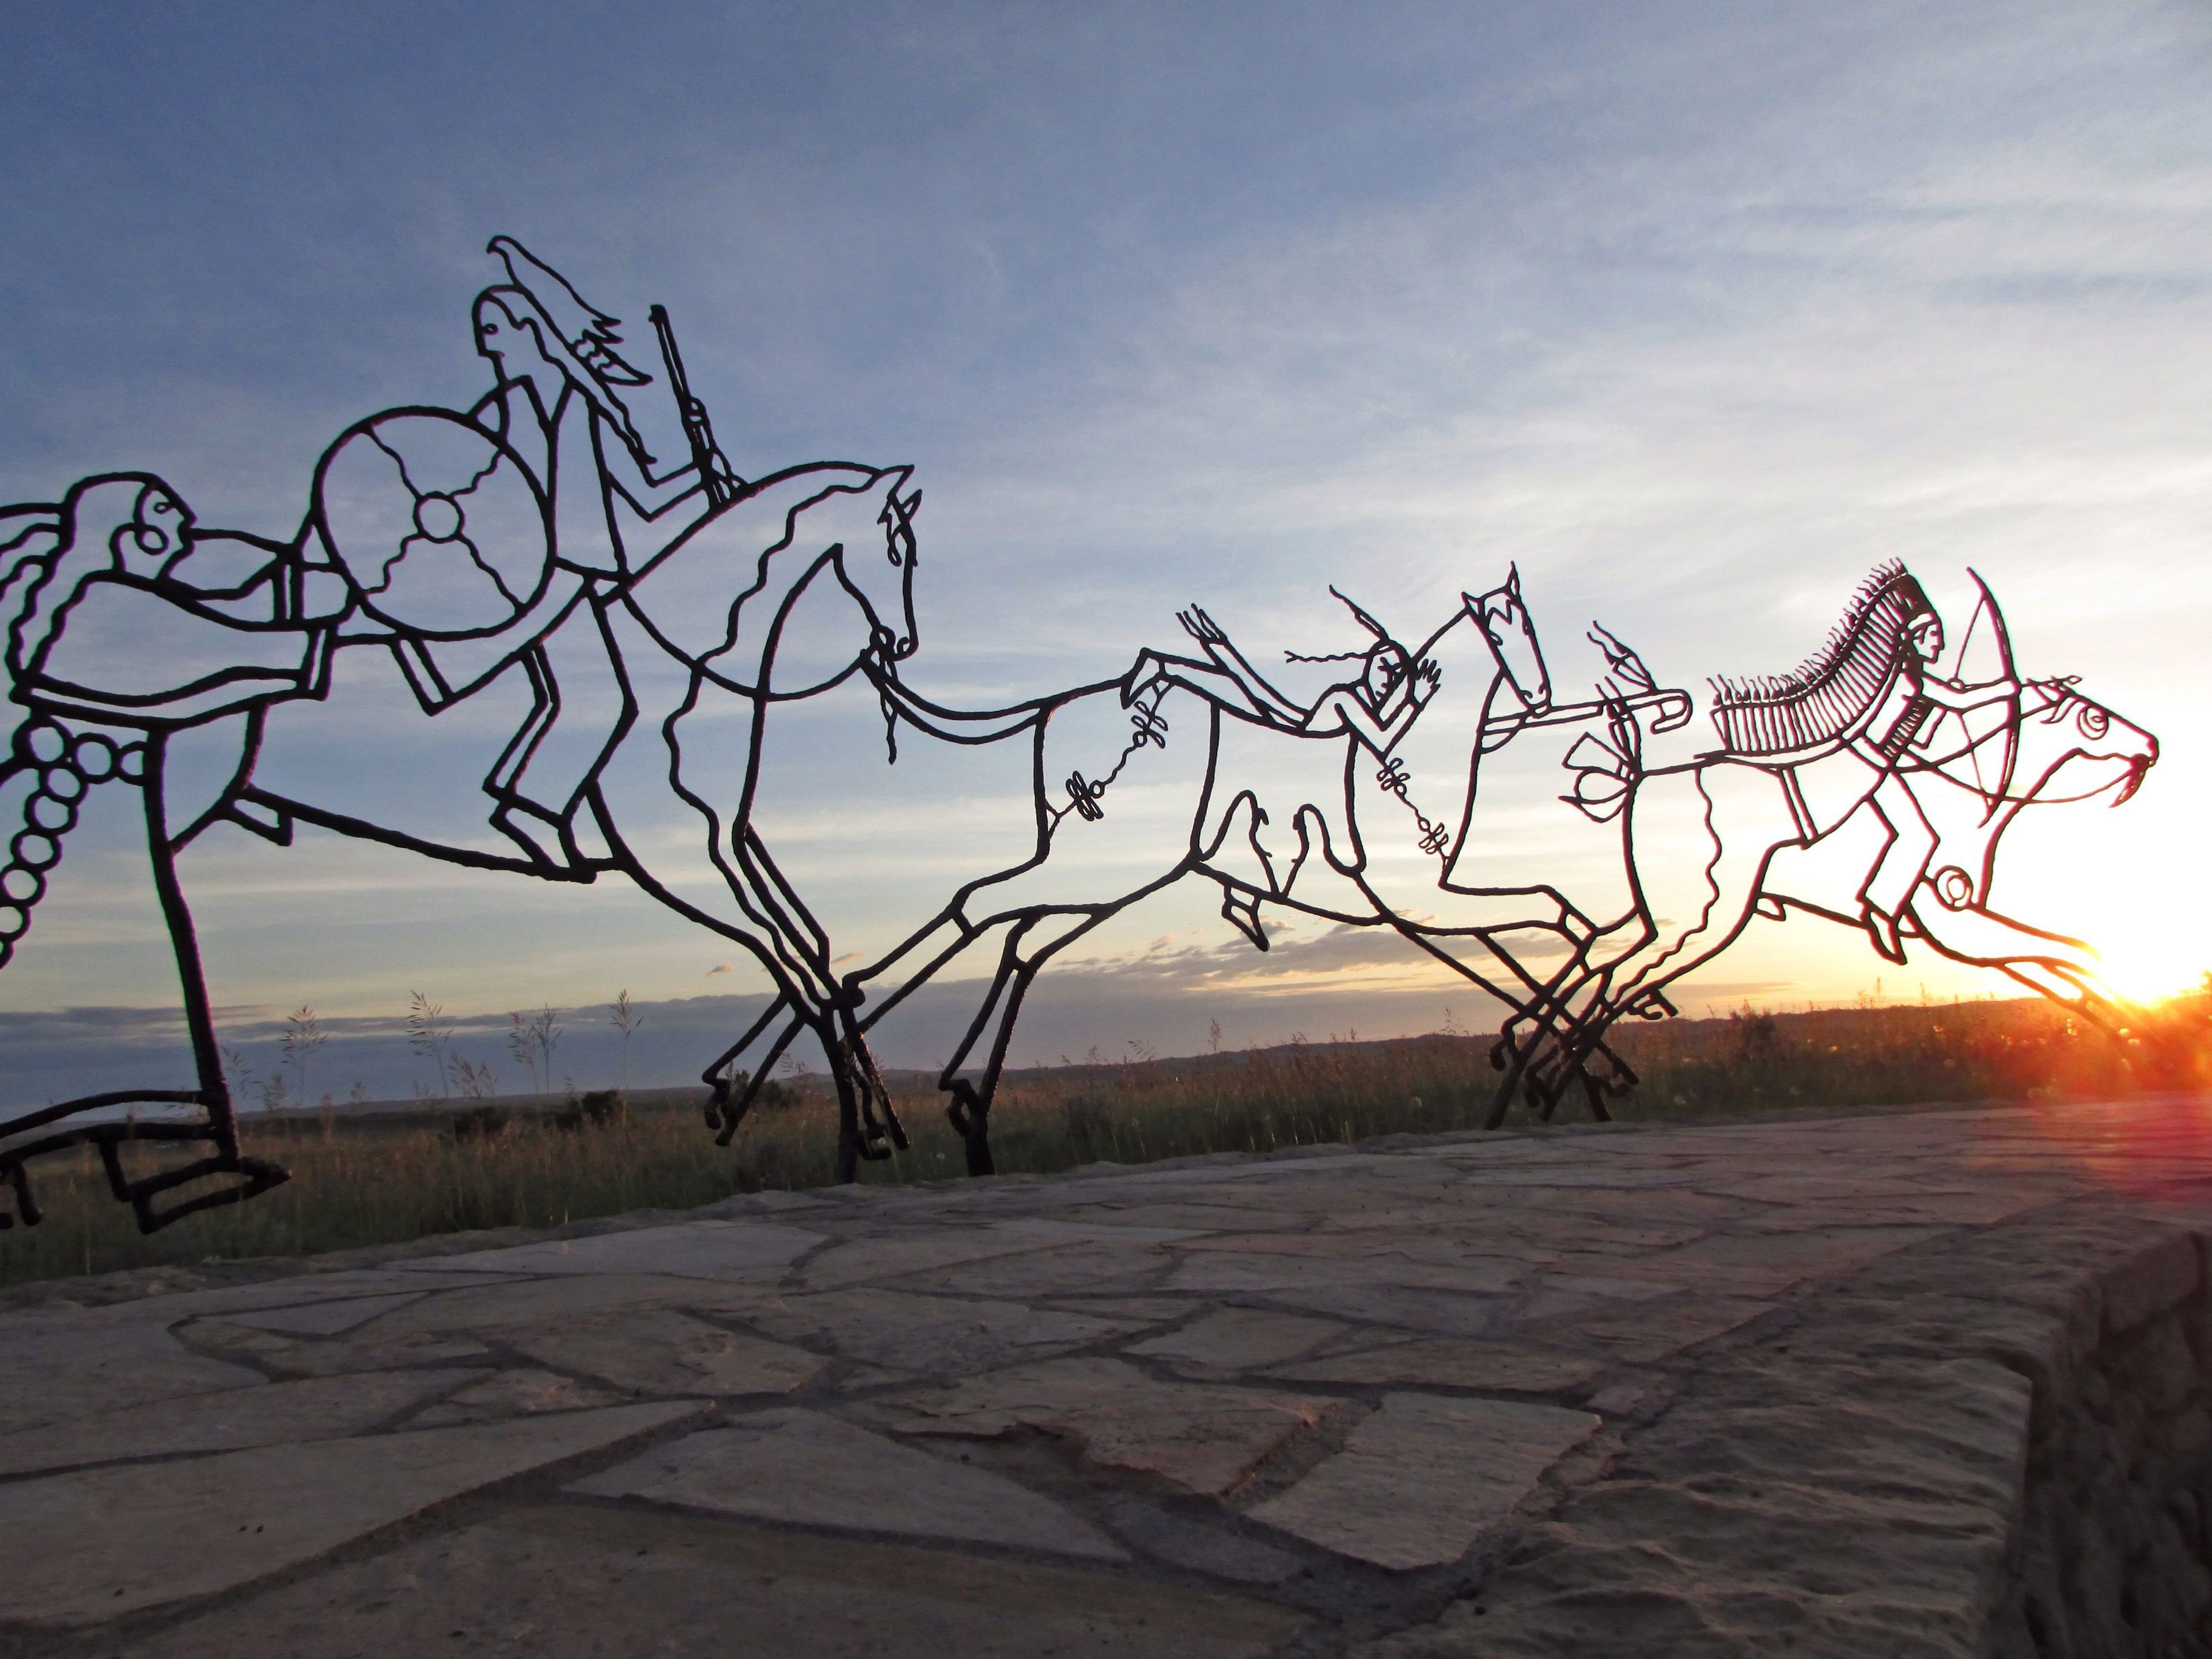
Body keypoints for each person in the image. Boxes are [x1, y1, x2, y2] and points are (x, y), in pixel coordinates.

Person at [1849, 588, 2019, 962]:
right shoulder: (1910, 678)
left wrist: (1945, 705)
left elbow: (1917, 738)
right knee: (1919, 836)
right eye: (1934, 638)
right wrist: (2009, 688)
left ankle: (1892, 900)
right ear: (1915, 639)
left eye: (1941, 639)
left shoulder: (1916, 681)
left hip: (1882, 762)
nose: (1940, 646)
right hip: (1868, 765)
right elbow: (1961, 701)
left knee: (1920, 834)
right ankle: (1881, 910)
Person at [1120, 587, 1441, 760]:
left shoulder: (1360, 704)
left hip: (1291, 723)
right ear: (1369, 668)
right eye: (1383, 669)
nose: (1388, 680)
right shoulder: (1347, 698)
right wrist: (1416, 700)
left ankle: (1167, 665)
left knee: (1241, 686)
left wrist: (1227, 652)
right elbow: (1382, 740)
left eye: (1397, 676)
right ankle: (1165, 665)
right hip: (1290, 729)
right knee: (1244, 690)